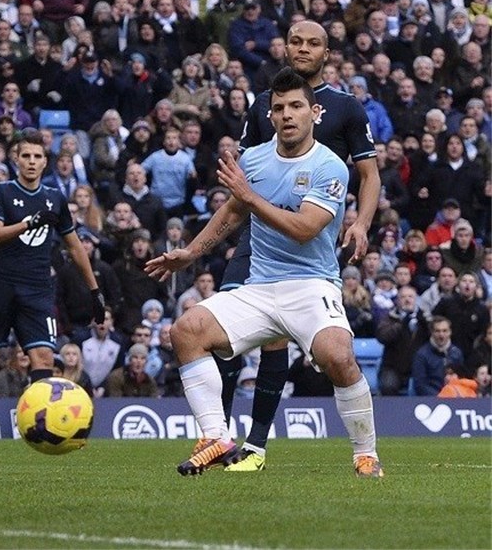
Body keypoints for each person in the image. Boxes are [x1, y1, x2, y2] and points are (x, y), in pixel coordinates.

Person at [145, 68, 383, 478]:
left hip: (312, 285)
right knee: (186, 330)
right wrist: (191, 253)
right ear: (270, 116)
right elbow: (231, 212)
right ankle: (216, 437)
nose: (287, 114)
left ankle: (366, 454)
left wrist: (249, 196)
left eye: (296, 106)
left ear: (315, 113)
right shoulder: (253, 160)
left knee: (338, 356)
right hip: (260, 286)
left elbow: (305, 228)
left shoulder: (331, 166)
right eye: (279, 108)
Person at [205, 20, 382, 473]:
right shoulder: (263, 104)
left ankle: (255, 447)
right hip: (258, 233)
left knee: (277, 339)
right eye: (296, 41)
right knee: (223, 333)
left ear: (327, 52)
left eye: (313, 43)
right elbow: (245, 176)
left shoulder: (346, 107)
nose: (303, 49)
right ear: (285, 47)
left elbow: (369, 174)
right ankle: (218, 440)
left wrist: (361, 223)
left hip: (308, 236)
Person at [0, 131, 106, 451]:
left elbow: (75, 247)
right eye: (25, 155)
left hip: (38, 289)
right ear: (16, 159)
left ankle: (40, 429)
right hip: (2, 286)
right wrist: (29, 222)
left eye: (37, 156)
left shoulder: (55, 198)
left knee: (43, 357)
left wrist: (95, 291)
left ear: (44, 161)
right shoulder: (1, 191)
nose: (31, 161)